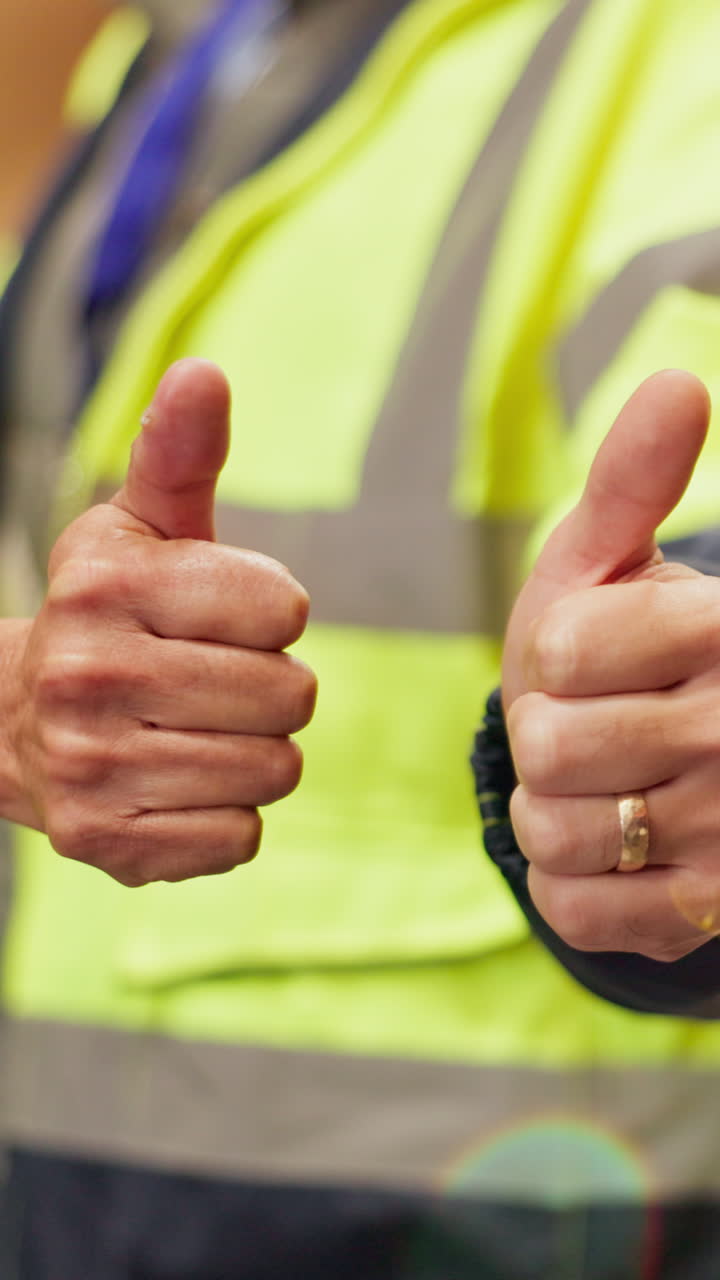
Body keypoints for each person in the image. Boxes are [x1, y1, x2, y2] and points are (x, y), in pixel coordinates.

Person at [3, 0, 720, 1276]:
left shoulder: (666, 45)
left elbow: (689, 603)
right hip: (84, 1189)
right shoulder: (177, 48)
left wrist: (653, 742)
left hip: (491, 1212)